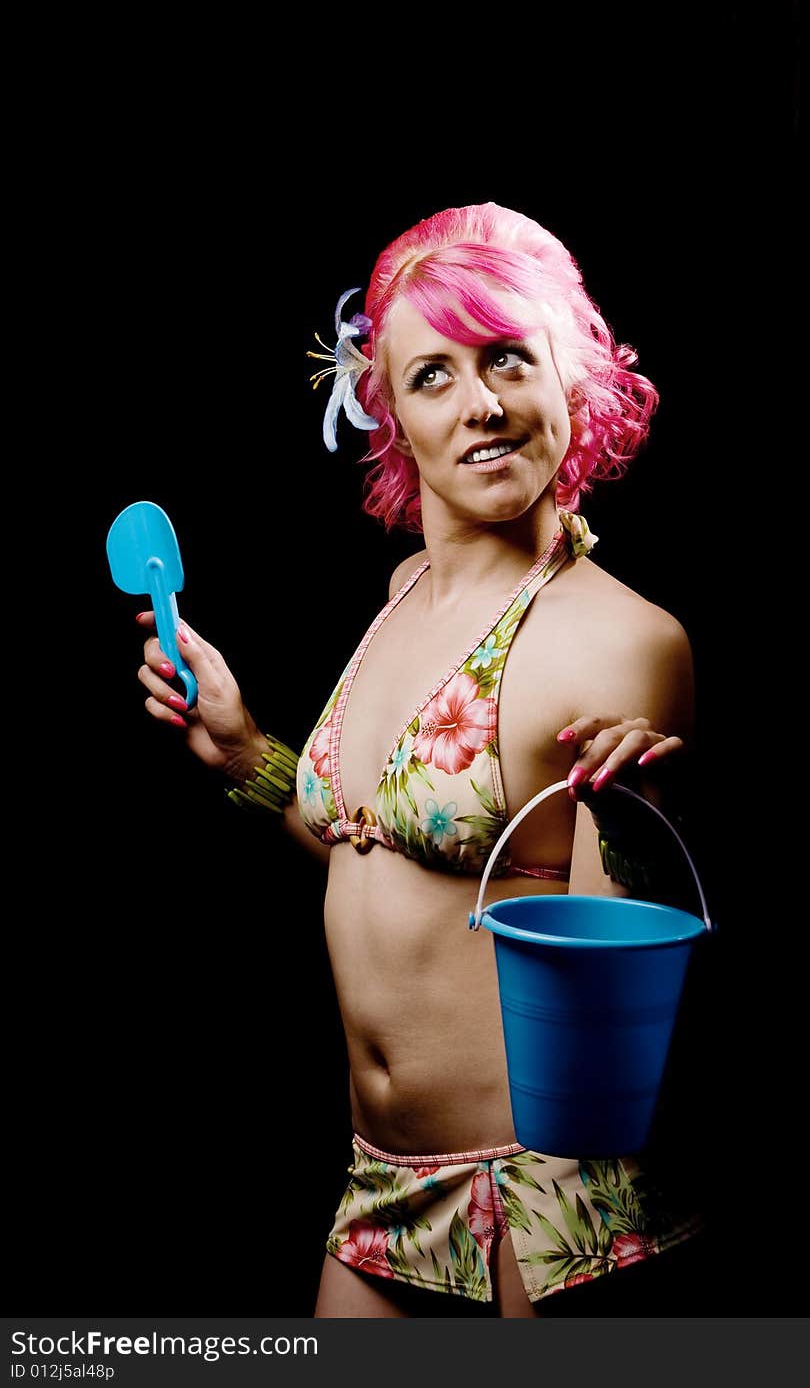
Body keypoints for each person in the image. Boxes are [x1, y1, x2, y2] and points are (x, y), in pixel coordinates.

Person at [132, 202, 705, 1317]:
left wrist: (644, 829)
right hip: (377, 1184)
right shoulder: (401, 599)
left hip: (539, 1202)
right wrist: (249, 755)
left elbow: (618, 1031)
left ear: (572, 374)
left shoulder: (622, 640)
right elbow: (385, 865)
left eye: (507, 359)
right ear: (385, 406)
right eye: (432, 374)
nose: (480, 404)